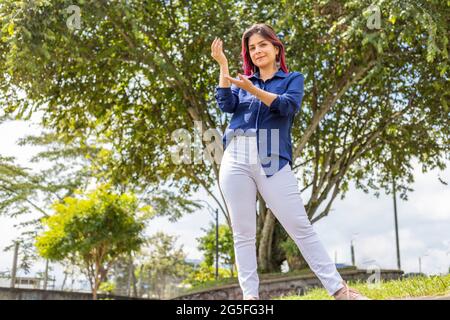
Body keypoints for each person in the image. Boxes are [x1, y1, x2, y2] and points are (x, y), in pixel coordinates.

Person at [211, 23, 370, 300]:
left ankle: (341, 291)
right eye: (252, 48)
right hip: (235, 156)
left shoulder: (292, 78)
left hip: (273, 156)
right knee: (243, 233)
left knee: (300, 227)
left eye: (262, 45)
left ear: (275, 48)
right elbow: (225, 104)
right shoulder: (243, 82)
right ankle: (251, 299)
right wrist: (223, 66)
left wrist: (254, 89)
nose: (257, 50)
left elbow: (287, 106)